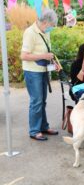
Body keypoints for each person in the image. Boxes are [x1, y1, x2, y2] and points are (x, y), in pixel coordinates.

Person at [20, 8, 59, 141]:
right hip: (32, 72)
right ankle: (34, 131)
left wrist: (54, 62)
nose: (52, 28)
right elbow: (23, 56)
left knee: (42, 101)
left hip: (43, 70)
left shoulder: (44, 31)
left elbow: (47, 51)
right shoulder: (30, 33)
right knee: (36, 101)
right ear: (45, 22)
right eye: (51, 26)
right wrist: (44, 56)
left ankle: (43, 126)